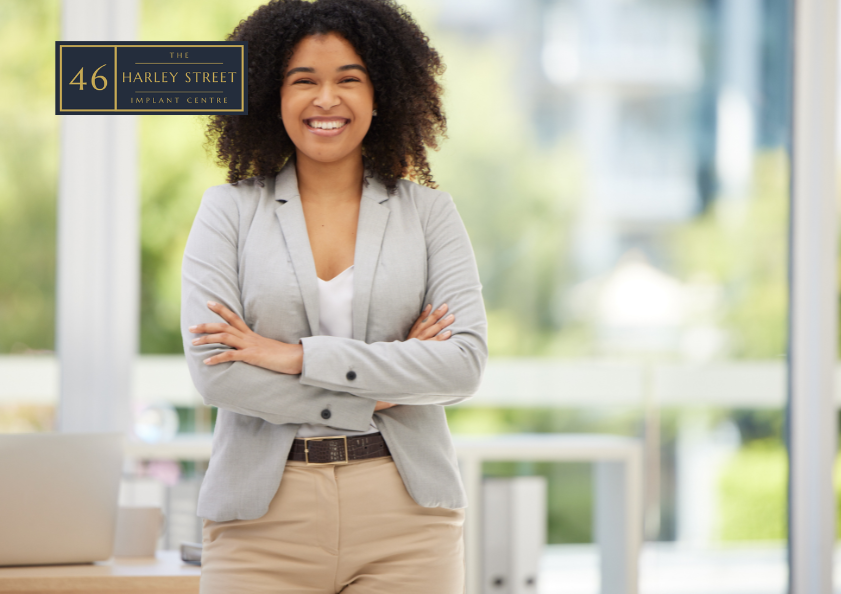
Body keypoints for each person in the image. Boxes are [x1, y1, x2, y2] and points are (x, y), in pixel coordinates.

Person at [180, 0, 488, 592]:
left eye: (349, 79)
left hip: (406, 521)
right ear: (273, 96)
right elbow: (219, 374)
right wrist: (383, 390)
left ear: (381, 94)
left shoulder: (430, 214)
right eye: (304, 81)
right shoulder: (227, 212)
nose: (326, 99)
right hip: (261, 526)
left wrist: (293, 356)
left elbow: (462, 364)